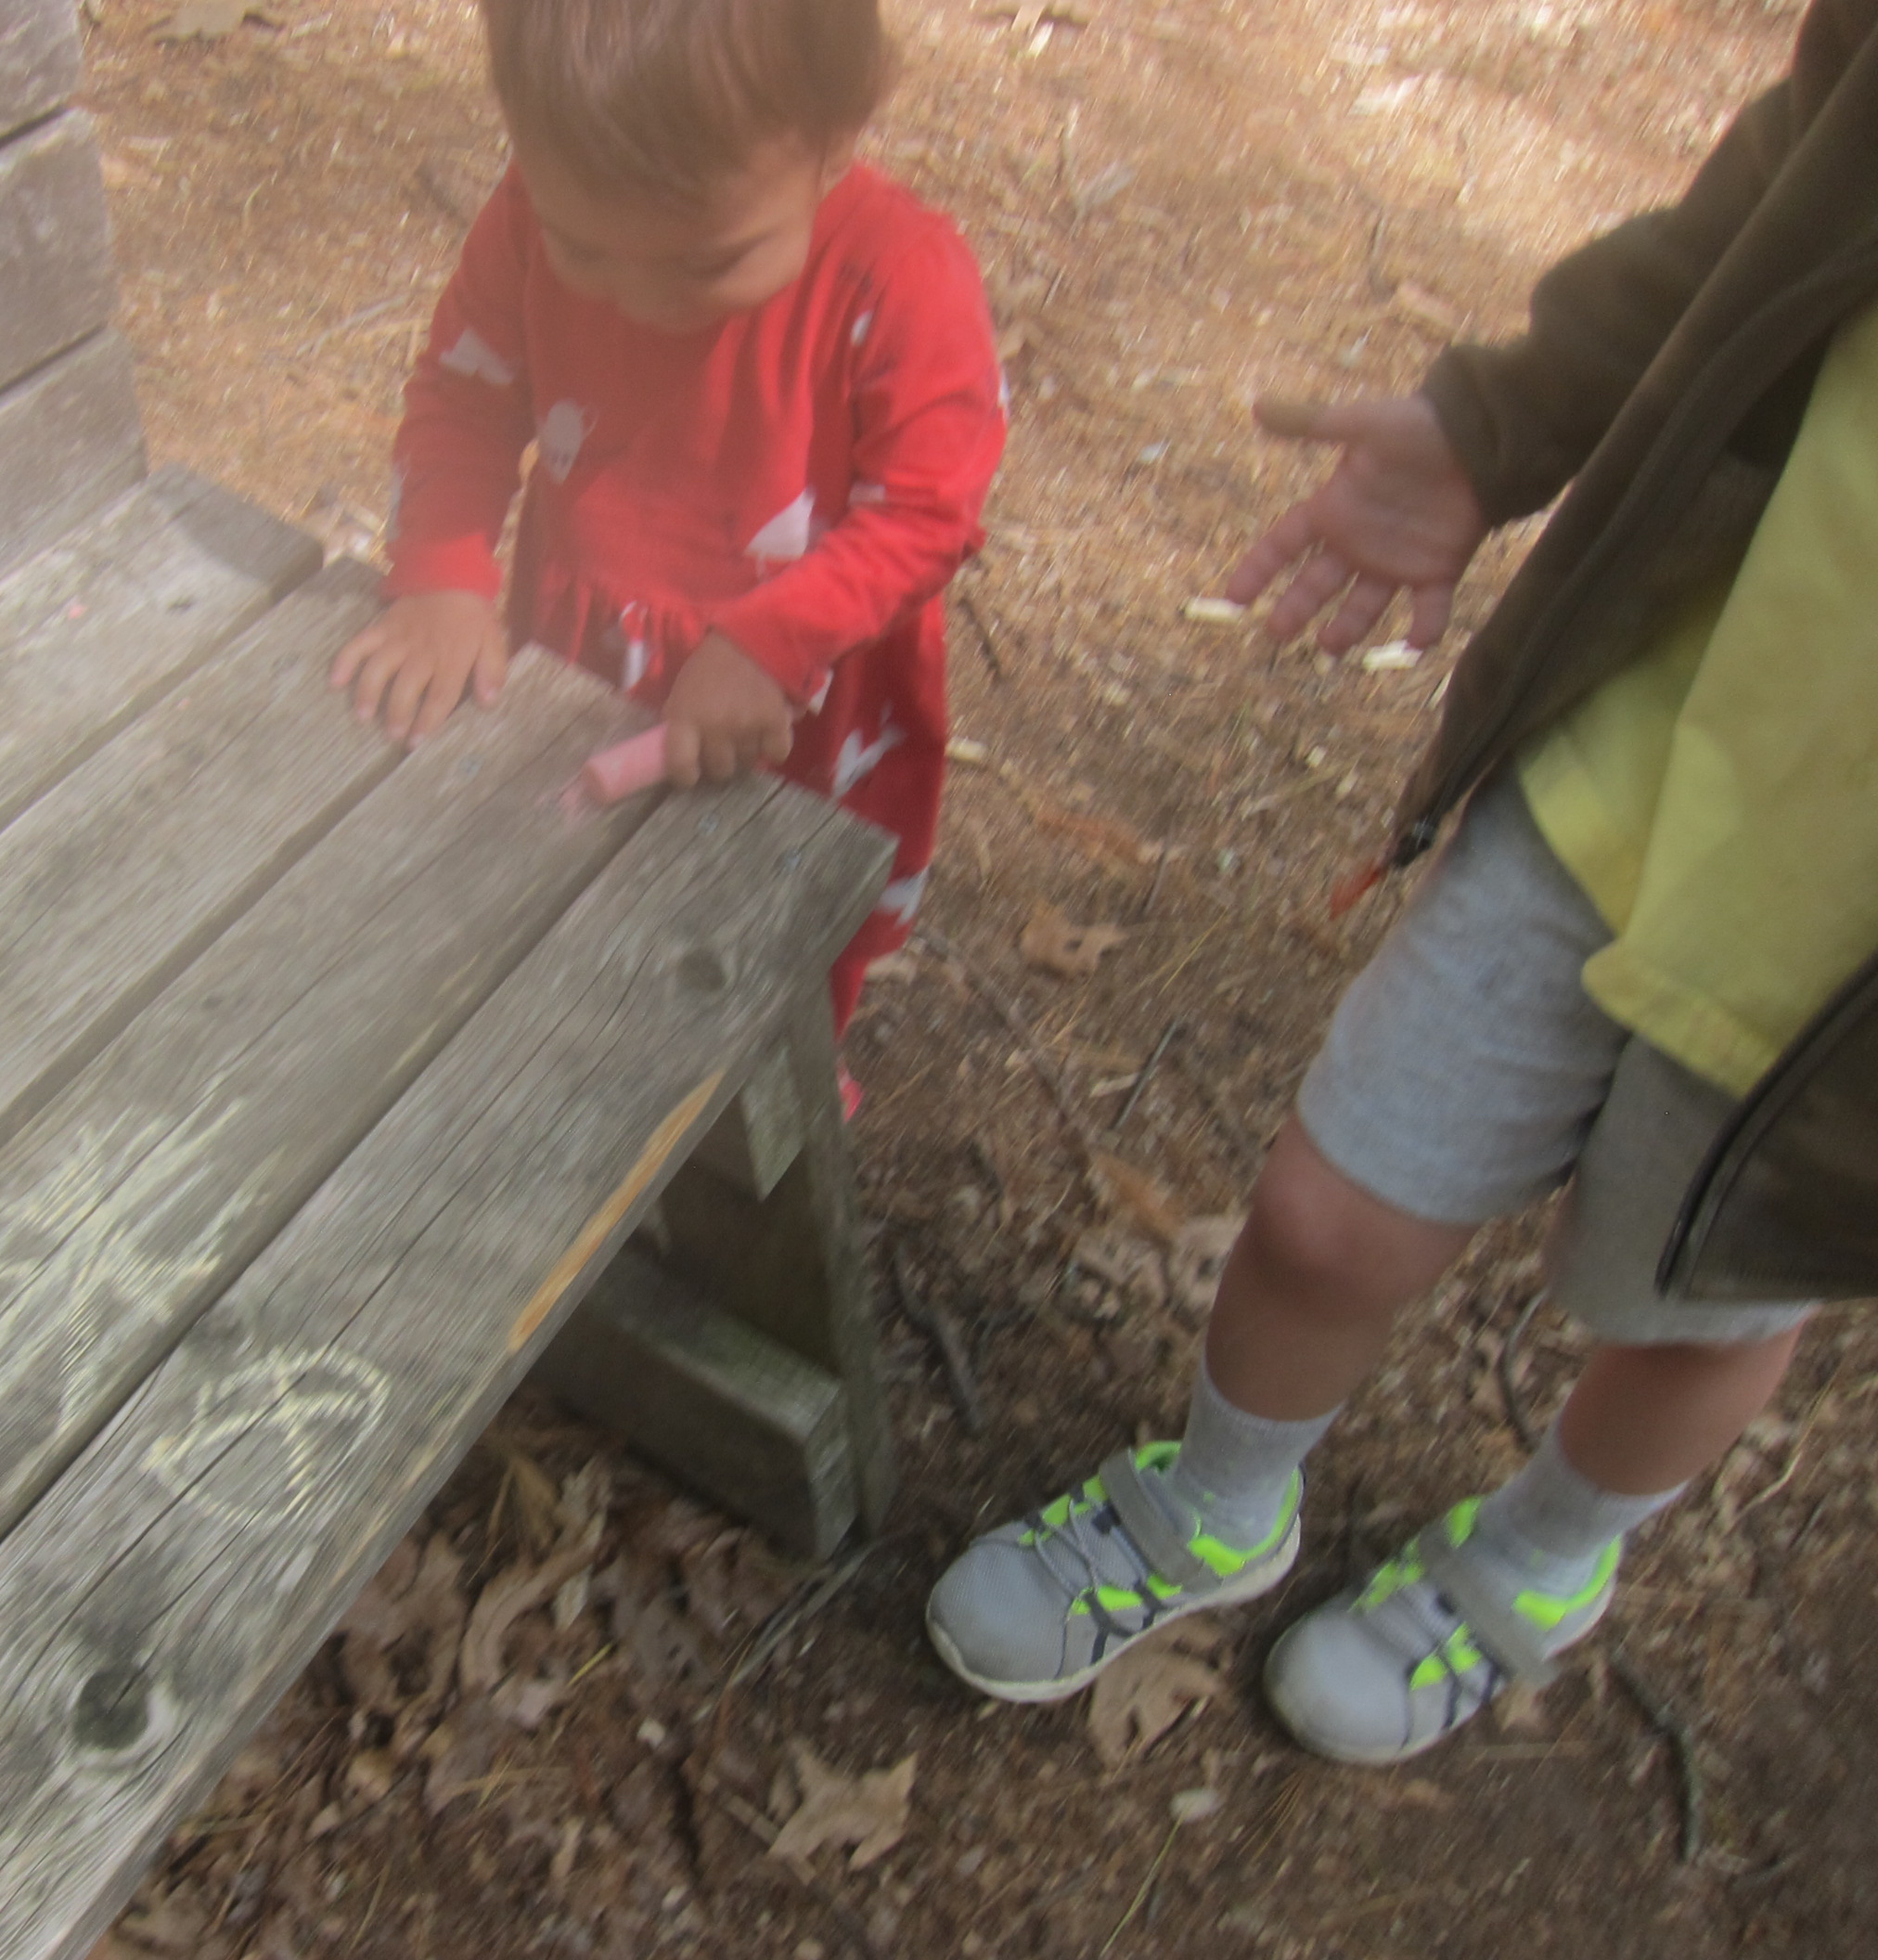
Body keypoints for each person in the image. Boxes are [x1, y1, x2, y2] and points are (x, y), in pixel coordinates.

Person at [927, 0, 1878, 1762]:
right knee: (1327, 1213)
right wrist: (1497, 423)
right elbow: (1782, 196)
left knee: (1704, 1307)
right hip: (1651, 745)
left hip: (1841, 998)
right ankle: (1221, 1506)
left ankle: (1540, 1563)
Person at [328, 0, 1008, 1033]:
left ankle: (781, 1077)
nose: (638, 300)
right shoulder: (535, 211)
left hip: (795, 706)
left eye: (705, 263)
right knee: (565, 902)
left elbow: (927, 512)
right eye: (585, 253)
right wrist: (440, 570)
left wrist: (773, 641)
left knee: (773, 929)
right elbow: (463, 397)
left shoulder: (898, 277)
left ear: (834, 138)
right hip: (586, 658)